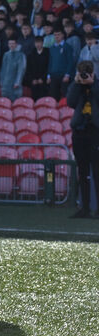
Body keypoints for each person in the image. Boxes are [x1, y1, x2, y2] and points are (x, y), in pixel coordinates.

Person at [66, 60, 99, 218]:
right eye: (82, 72)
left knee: (97, 172)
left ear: (92, 72)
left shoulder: (97, 84)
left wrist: (92, 84)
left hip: (95, 132)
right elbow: (70, 102)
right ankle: (84, 208)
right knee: (83, 171)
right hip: (79, 131)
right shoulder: (77, 85)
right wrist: (76, 83)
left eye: (87, 72)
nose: (85, 75)